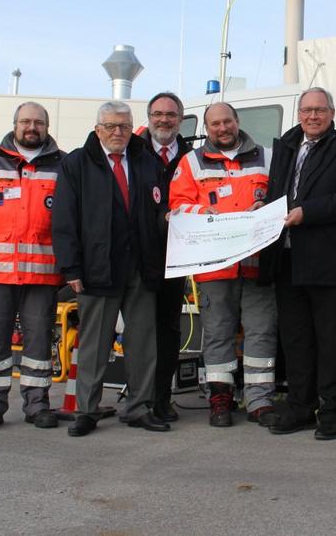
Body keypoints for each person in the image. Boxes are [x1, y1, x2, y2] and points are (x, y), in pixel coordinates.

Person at [257, 87, 336, 441]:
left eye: (320, 110)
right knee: (295, 341)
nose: (312, 116)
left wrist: (307, 212)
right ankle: (300, 407)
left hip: (329, 261)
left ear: (332, 113)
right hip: (287, 259)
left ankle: (333, 410)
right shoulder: (286, 147)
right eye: (306, 110)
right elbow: (278, 194)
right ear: (299, 114)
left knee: (332, 341)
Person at [52, 101, 170, 437]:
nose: (118, 132)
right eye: (110, 126)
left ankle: (138, 408)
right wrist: (71, 268)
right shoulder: (77, 163)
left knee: (143, 342)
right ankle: (87, 410)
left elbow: (160, 208)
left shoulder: (146, 161)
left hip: (141, 268)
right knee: (94, 344)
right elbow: (64, 219)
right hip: (96, 269)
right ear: (97, 129)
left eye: (124, 126)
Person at [169, 102, 279, 428]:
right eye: (215, 124)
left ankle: (260, 400)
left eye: (227, 121)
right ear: (207, 128)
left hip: (257, 264)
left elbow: (282, 196)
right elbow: (177, 205)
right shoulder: (191, 162)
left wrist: (265, 204)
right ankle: (220, 398)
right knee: (217, 334)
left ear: (237, 121)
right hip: (215, 265)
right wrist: (203, 213)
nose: (222, 128)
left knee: (261, 332)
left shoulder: (267, 157)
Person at [0, 101, 65, 431]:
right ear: (15, 124)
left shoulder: (62, 164)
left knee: (39, 342)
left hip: (42, 273)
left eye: (38, 122)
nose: (31, 127)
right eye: (25, 121)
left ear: (47, 127)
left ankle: (37, 405)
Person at [139, 91, 192, 423]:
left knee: (168, 329)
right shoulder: (133, 151)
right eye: (158, 114)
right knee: (139, 330)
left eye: (171, 115)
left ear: (180, 120)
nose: (164, 120)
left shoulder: (192, 157)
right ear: (149, 118)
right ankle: (140, 398)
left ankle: (161, 398)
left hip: (176, 256)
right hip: (138, 255)